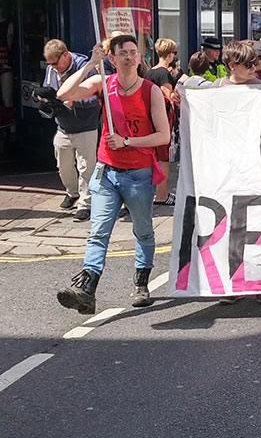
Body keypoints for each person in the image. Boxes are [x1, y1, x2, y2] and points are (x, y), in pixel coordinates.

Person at [55, 34, 170, 314]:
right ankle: (87, 289)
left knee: (142, 231)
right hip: (107, 172)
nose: (130, 57)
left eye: (134, 52)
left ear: (139, 58)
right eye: (124, 53)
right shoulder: (103, 85)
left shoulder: (150, 91)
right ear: (112, 58)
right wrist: (89, 64)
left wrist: (128, 141)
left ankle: (141, 284)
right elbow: (63, 94)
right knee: (97, 233)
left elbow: (163, 135)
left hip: (139, 173)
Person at [41, 39, 102, 222]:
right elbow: (50, 90)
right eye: (49, 63)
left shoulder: (86, 68)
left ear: (66, 55)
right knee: (63, 164)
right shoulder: (51, 69)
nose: (52, 67)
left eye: (55, 63)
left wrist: (74, 101)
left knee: (86, 168)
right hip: (63, 126)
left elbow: (97, 100)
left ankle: (85, 205)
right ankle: (72, 192)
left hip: (85, 127)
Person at [144, 38, 178, 206]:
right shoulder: (164, 73)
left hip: (150, 119)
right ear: (170, 54)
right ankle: (162, 194)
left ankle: (154, 192)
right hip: (164, 119)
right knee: (164, 158)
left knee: (153, 156)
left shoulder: (150, 72)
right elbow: (167, 98)